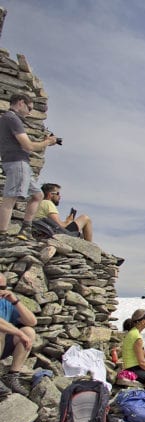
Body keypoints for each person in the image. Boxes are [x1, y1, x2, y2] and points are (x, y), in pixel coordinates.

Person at [0, 93, 58, 239]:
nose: (30, 112)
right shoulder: (12, 118)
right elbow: (28, 146)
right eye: (29, 108)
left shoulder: (6, 119)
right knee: (10, 198)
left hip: (16, 162)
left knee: (38, 195)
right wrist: (47, 143)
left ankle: (25, 229)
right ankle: (2, 234)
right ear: (20, 103)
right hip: (17, 162)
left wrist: (44, 143)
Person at [0, 272, 36, 398]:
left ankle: (12, 376)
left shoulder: (5, 302)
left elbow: (32, 321)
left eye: (3, 288)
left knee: (29, 332)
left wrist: (15, 301)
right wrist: (18, 333)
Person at [121, 309, 145, 392]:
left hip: (133, 368)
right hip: (135, 369)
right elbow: (142, 362)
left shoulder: (132, 333)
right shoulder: (136, 337)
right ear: (142, 321)